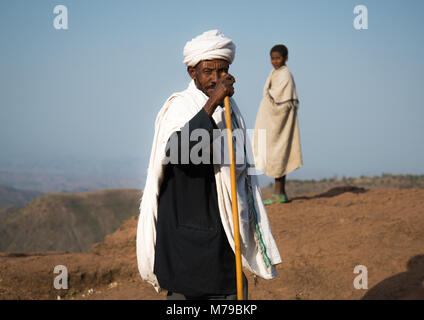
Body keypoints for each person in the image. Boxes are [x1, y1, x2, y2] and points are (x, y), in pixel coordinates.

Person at [136, 30, 281, 300]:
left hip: (225, 235)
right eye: (208, 72)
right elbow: (178, 151)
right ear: (193, 72)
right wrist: (213, 103)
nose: (216, 78)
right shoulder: (179, 107)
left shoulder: (231, 110)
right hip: (188, 239)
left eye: (222, 70)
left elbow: (240, 169)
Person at [253, 44, 302, 204]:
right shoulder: (275, 73)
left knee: (280, 153)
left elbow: (282, 98)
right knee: (273, 154)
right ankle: (278, 193)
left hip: (281, 122)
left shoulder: (285, 74)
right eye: (272, 58)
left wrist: (269, 100)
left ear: (285, 58)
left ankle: (280, 193)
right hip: (271, 122)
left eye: (278, 58)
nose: (275, 61)